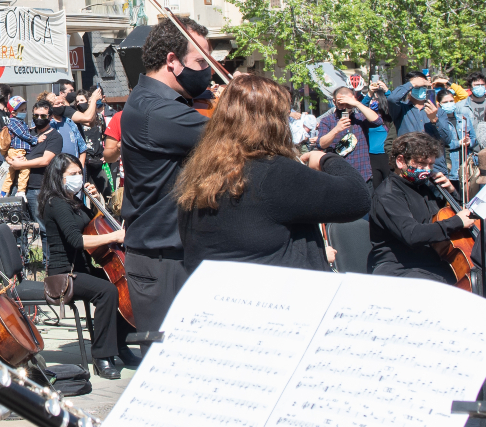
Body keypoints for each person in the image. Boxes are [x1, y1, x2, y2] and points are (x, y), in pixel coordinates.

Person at [176, 75, 370, 274]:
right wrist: (325, 159)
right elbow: (358, 198)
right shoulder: (273, 173)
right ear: (272, 122)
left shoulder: (197, 173)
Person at [119, 17, 215, 338]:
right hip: (162, 259)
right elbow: (231, 136)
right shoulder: (154, 109)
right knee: (170, 361)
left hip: (176, 252)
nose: (208, 72)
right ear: (172, 61)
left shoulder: (168, 104)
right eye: (201, 61)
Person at [37, 153, 132, 379]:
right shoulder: (56, 203)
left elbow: (93, 224)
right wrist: (115, 237)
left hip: (81, 269)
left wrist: (96, 198)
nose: (78, 177)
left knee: (123, 284)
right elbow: (77, 240)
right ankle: (101, 357)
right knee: (107, 291)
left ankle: (120, 345)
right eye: (73, 174)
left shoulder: (74, 201)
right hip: (64, 274)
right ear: (58, 177)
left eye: (80, 173)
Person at [369, 132, 474, 283]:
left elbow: (445, 216)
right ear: (400, 161)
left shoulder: (425, 187)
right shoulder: (388, 195)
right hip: (399, 267)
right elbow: (412, 234)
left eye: (430, 164)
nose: (427, 169)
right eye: (422, 163)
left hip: (430, 262)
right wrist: (456, 221)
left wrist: (451, 193)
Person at [7, 99, 64, 265]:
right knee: (17, 228)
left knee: (44, 228)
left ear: (50, 116)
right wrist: (12, 158)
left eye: (43, 115)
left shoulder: (54, 137)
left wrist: (21, 164)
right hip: (18, 187)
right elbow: (9, 149)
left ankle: (49, 266)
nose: (39, 118)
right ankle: (20, 264)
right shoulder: (27, 133)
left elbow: (45, 160)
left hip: (38, 188)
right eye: (36, 115)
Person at [315, 86, 384, 193]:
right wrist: (336, 129)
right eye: (341, 103)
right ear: (334, 102)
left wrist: (356, 103)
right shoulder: (327, 121)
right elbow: (321, 144)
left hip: (363, 175)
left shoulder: (360, 118)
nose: (344, 107)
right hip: (338, 176)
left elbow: (377, 121)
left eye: (348, 103)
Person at [385, 70, 454, 174]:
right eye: (417, 87)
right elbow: (392, 99)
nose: (420, 88)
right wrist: (412, 83)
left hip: (435, 170)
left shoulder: (439, 111)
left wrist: (434, 120)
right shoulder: (401, 110)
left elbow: (447, 139)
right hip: (411, 169)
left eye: (423, 86)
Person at [437, 89, 478, 192]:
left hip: (467, 165)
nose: (449, 104)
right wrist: (458, 143)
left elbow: (474, 138)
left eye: (451, 101)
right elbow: (441, 144)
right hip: (451, 166)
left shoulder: (464, 118)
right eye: (445, 102)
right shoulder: (438, 122)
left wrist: (469, 141)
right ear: (439, 104)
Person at [75, 89, 110, 196]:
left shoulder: (99, 117)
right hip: (85, 161)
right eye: (77, 101)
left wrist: (106, 154)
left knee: (107, 192)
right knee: (87, 193)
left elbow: (106, 135)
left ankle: (108, 212)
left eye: (82, 100)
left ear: (88, 101)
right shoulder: (76, 119)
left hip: (98, 160)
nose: (79, 103)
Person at [0, 95, 35, 197]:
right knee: (25, 169)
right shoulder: (14, 122)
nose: (24, 112)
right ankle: (21, 191)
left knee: (11, 172)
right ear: (13, 112)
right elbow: (22, 135)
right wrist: (35, 139)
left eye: (25, 109)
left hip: (16, 150)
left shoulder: (20, 122)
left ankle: (4, 192)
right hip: (17, 150)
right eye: (21, 110)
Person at [48, 91, 88, 165]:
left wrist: (81, 165)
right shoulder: (48, 124)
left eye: (62, 103)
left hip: (74, 167)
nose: (61, 105)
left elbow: (82, 147)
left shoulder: (70, 122)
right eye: (57, 103)